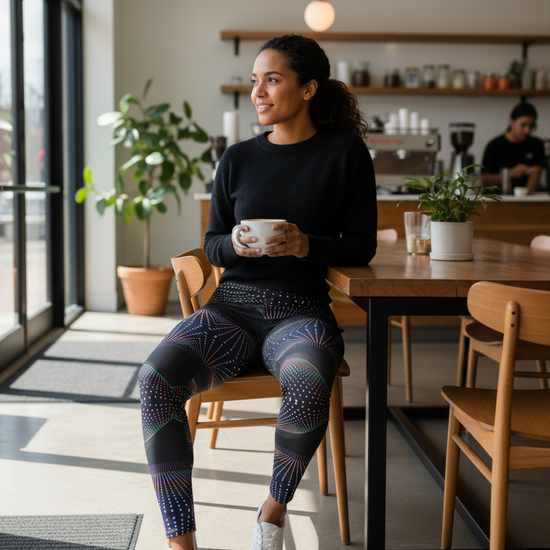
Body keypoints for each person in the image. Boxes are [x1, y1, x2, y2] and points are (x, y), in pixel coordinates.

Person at [138, 34, 377, 550]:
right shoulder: (239, 158)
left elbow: (362, 246)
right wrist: (237, 247)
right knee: (156, 380)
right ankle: (182, 540)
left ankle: (273, 508)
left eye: (272, 79)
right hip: (232, 310)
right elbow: (213, 243)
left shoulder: (345, 153)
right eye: (254, 80)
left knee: (311, 377)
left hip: (301, 312)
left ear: (309, 87)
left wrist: (304, 244)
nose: (258, 91)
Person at [481, 102, 546, 194]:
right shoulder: (494, 146)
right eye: (523, 125)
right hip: (499, 200)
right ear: (512, 122)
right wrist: (509, 174)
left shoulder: (537, 145)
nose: (527, 130)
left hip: (528, 200)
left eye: (531, 126)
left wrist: (535, 172)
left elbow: (533, 184)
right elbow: (483, 180)